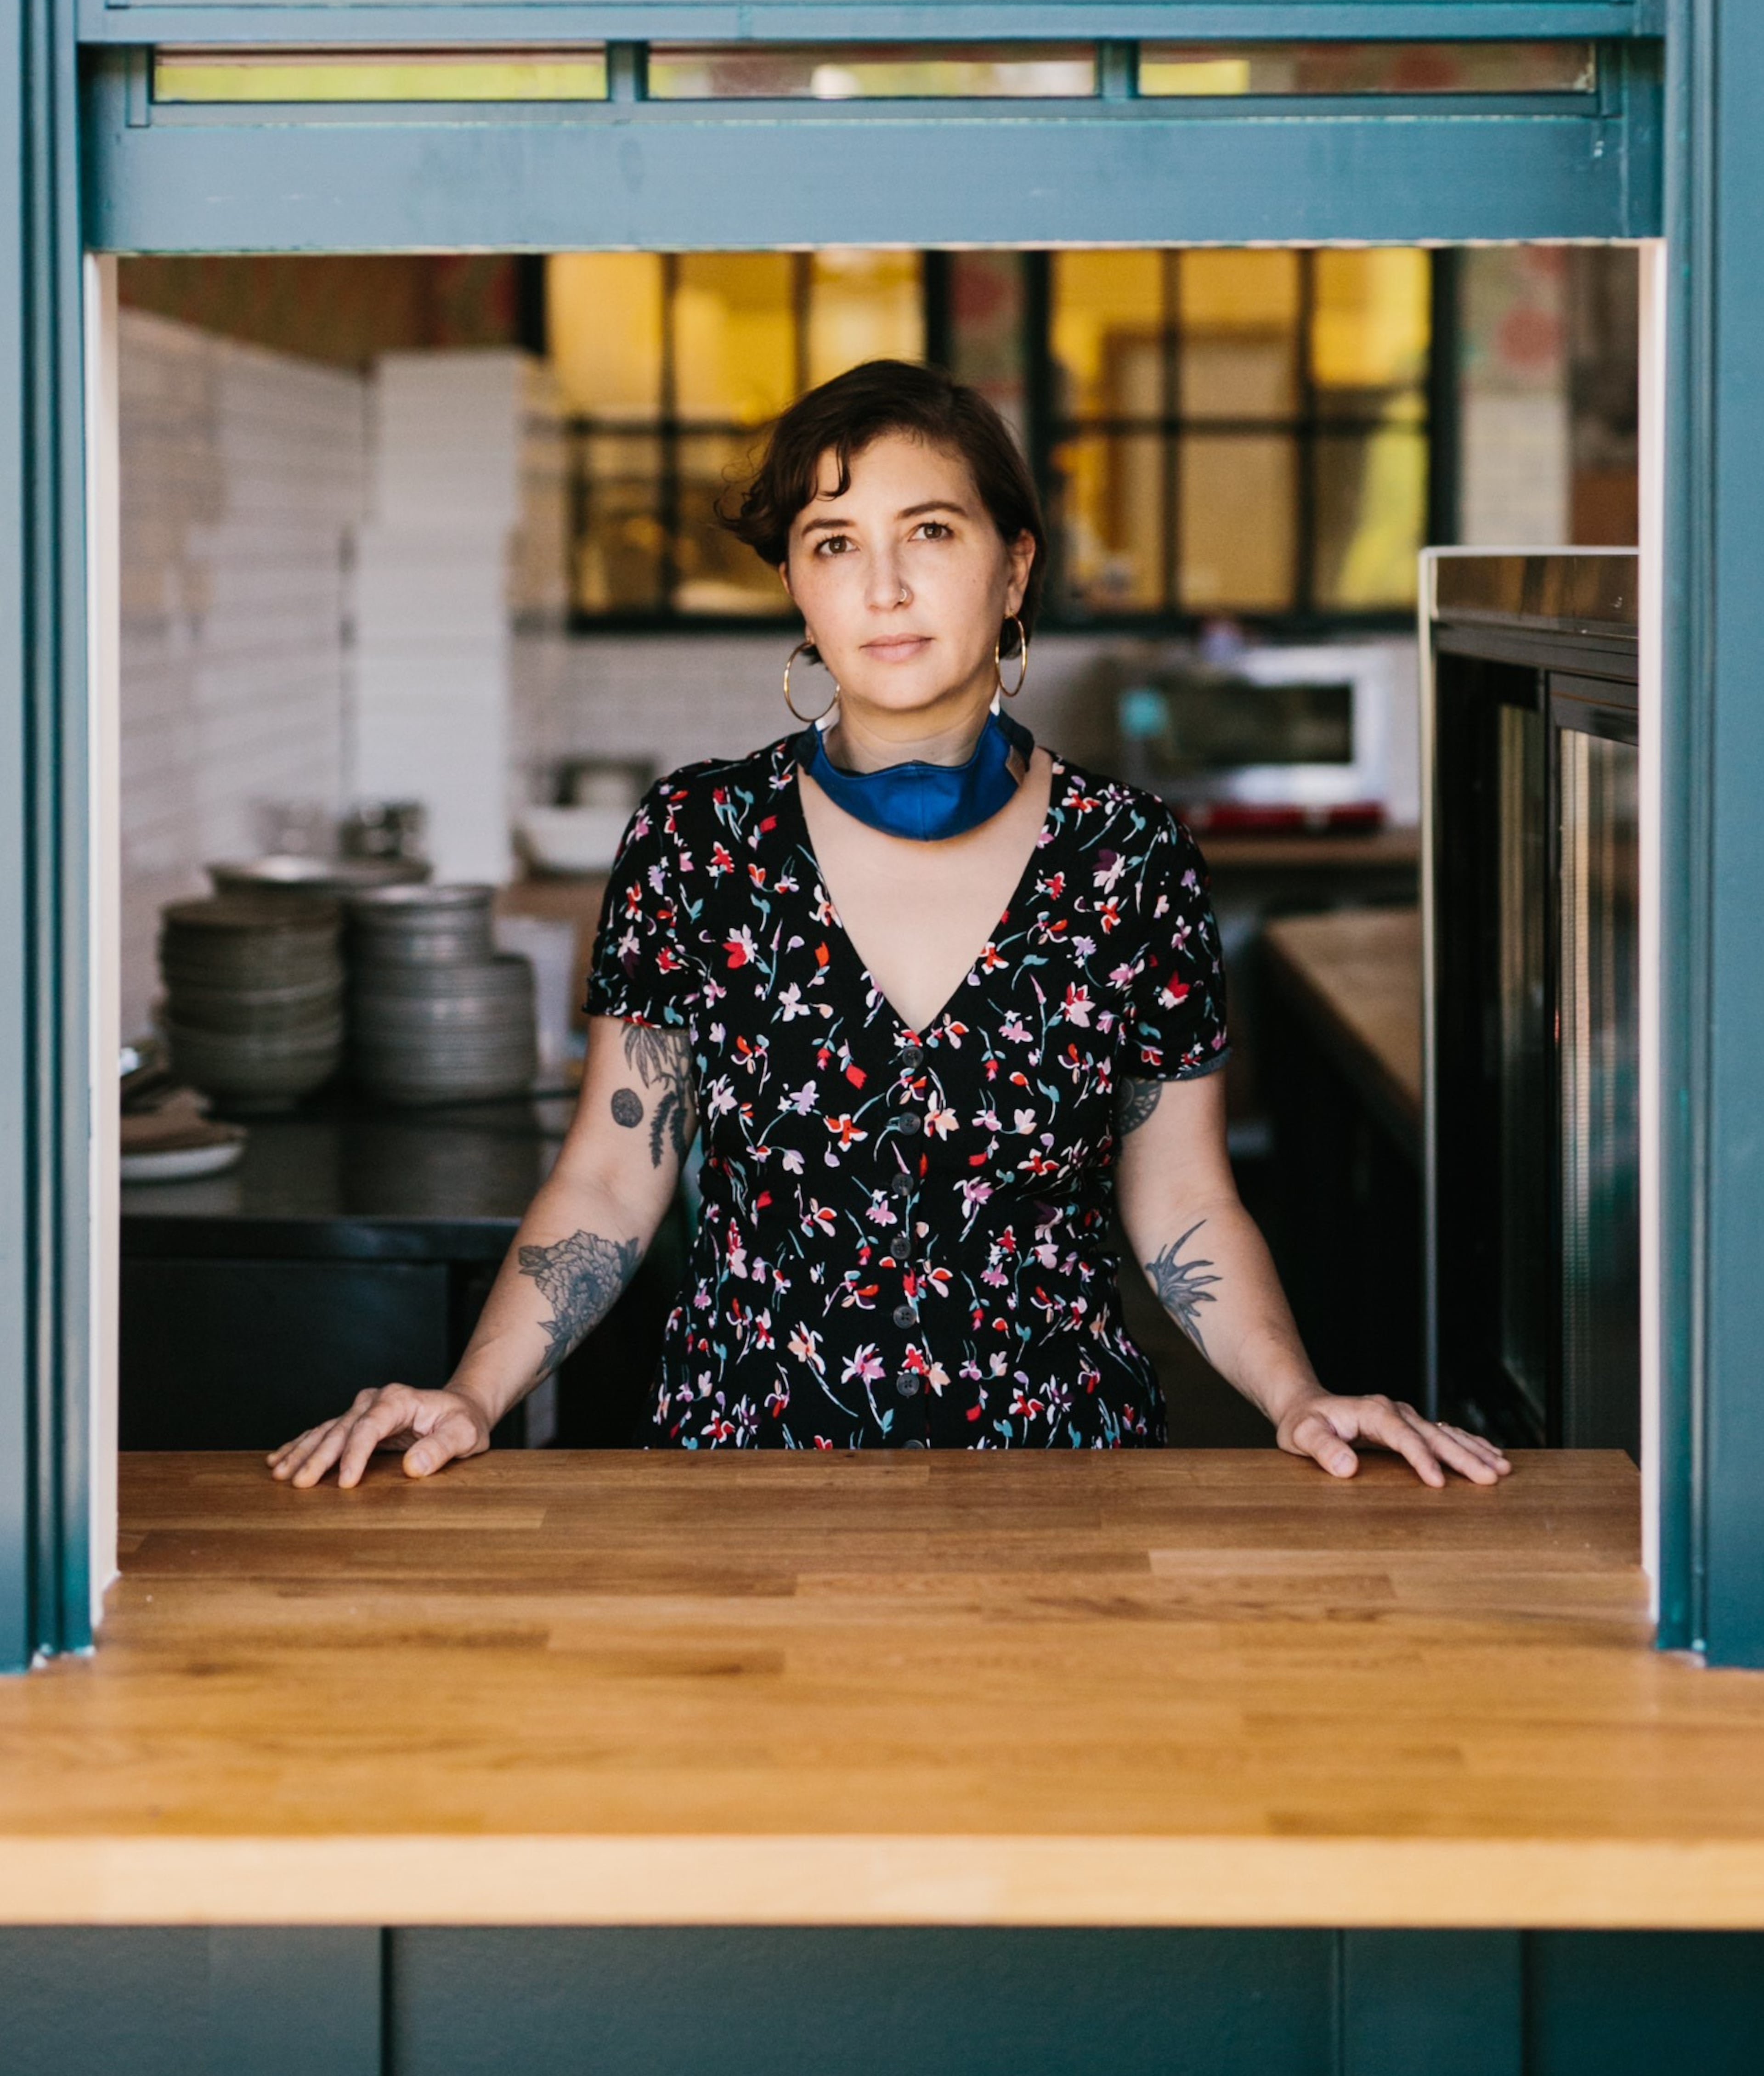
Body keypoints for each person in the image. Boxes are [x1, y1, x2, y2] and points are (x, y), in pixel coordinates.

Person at [271, 361, 1509, 1488]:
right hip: (743, 1485)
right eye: (834, 543)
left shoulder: (1131, 860)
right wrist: (472, 1395)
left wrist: (1297, 1398)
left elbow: (1183, 1195)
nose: (884, 587)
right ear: (796, 587)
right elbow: (609, 1176)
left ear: (1014, 567)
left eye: (930, 531)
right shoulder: (697, 844)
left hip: (1063, 1487)